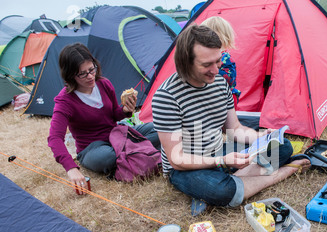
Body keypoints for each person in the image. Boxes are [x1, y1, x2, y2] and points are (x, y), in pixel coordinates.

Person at [151, 25, 310, 215]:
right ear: (186, 62)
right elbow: (177, 159)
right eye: (206, 65)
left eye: (217, 61)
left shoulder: (219, 83)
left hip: (219, 152)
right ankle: (283, 172)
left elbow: (234, 128)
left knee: (282, 146)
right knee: (221, 191)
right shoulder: (166, 96)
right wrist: (221, 161)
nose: (215, 70)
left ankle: (232, 180)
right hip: (186, 167)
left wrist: (261, 137)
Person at [48, 43, 159, 193]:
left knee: (159, 128)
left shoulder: (104, 84)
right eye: (82, 73)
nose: (90, 76)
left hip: (119, 134)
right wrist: (71, 168)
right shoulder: (65, 101)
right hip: (93, 147)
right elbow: (54, 138)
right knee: (107, 157)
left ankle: (132, 153)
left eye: (91, 69)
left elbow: (114, 115)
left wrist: (126, 111)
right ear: (70, 75)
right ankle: (140, 151)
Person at [201, 16, 241, 106]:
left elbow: (228, 80)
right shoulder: (206, 57)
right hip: (214, 98)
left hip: (225, 98)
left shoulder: (225, 58)